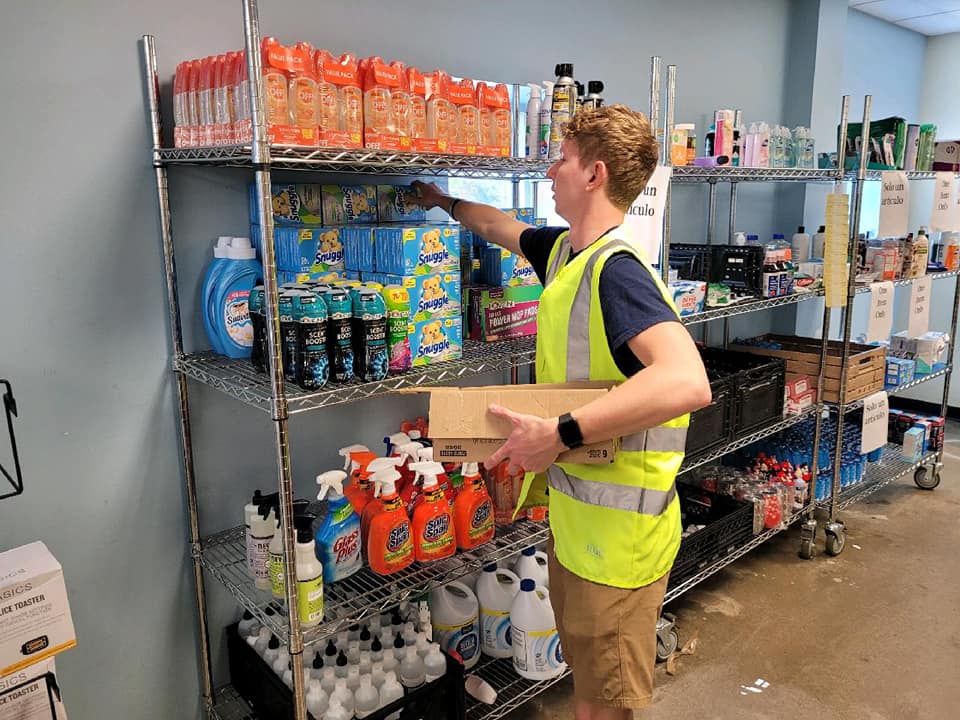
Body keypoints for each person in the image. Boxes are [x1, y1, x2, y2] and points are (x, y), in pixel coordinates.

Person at [412, 104, 711, 720]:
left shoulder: (617, 272)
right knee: (589, 691)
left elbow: (686, 380)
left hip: (622, 549)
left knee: (606, 707)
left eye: (562, 158)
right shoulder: (566, 255)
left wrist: (561, 432)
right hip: (581, 537)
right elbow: (497, 225)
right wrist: (440, 199)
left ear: (594, 174)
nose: (550, 168)